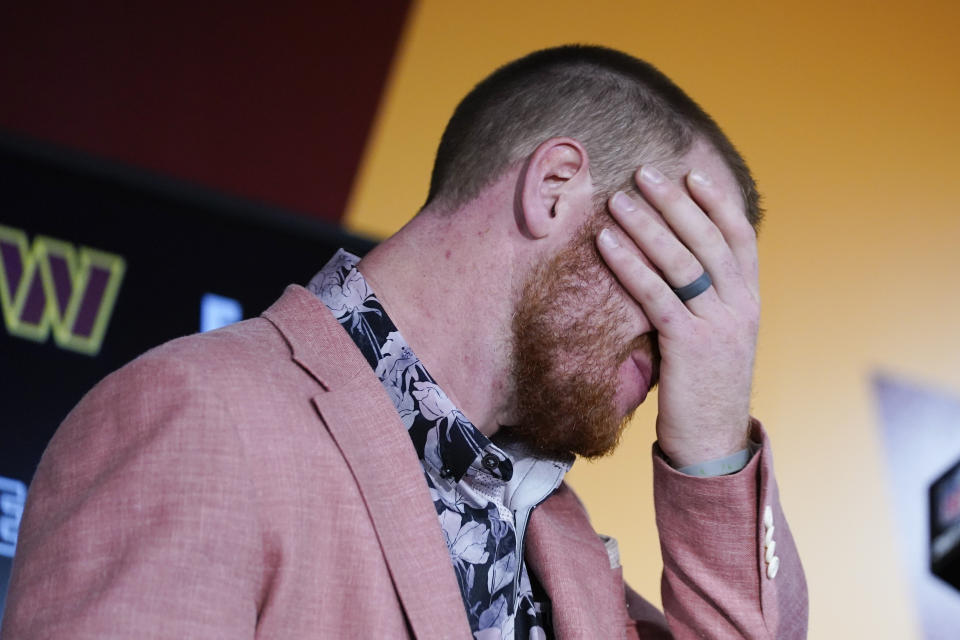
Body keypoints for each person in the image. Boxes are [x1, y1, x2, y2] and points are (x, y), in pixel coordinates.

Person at [1, 45, 807, 639]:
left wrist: (714, 445)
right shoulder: (196, 418)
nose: (693, 339)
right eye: (688, 272)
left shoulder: (569, 560)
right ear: (554, 190)